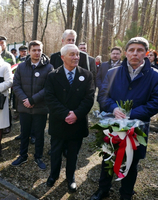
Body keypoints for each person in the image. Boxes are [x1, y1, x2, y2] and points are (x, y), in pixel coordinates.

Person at [91, 37, 158, 200]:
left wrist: (131, 113)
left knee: (131, 162)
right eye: (131, 50)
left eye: (139, 50)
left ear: (146, 53)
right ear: (126, 53)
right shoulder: (112, 72)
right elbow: (102, 95)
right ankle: (103, 189)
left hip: (137, 127)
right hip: (112, 124)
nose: (135, 53)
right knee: (108, 157)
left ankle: (126, 193)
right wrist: (114, 108)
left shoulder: (156, 76)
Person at [44, 44, 95, 192]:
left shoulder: (86, 75)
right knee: (56, 152)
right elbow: (50, 98)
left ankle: (70, 177)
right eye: (72, 54)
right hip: (59, 121)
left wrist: (76, 114)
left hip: (77, 122)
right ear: (62, 57)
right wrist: (66, 114)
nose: (76, 57)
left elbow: (89, 98)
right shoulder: (53, 75)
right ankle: (53, 175)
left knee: (73, 153)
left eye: (77, 54)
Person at [11, 40, 53, 170]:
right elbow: (16, 85)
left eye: (39, 50)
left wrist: (33, 100)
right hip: (24, 107)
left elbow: (49, 88)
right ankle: (22, 156)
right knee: (24, 133)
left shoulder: (49, 68)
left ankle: (38, 157)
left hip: (40, 107)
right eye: (34, 50)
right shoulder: (21, 67)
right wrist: (25, 100)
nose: (37, 52)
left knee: (39, 134)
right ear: (29, 51)